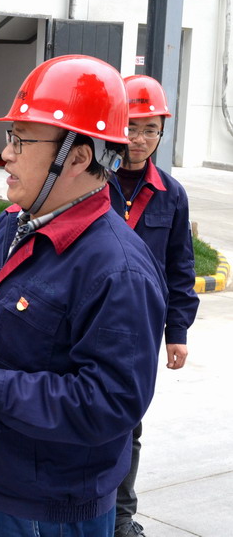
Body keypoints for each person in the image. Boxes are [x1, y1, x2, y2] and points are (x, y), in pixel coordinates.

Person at [0, 55, 168, 536]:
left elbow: (111, 402)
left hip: (51, 511)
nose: (5, 154)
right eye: (11, 137)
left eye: (21, 140)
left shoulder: (118, 270)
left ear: (78, 157)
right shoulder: (18, 220)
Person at [109, 75, 199, 537]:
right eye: (131, 126)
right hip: (86, 322)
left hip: (139, 332)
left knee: (128, 425)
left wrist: (176, 331)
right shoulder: (89, 181)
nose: (139, 139)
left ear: (161, 133)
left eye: (150, 130)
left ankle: (120, 516)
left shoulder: (171, 194)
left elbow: (181, 267)